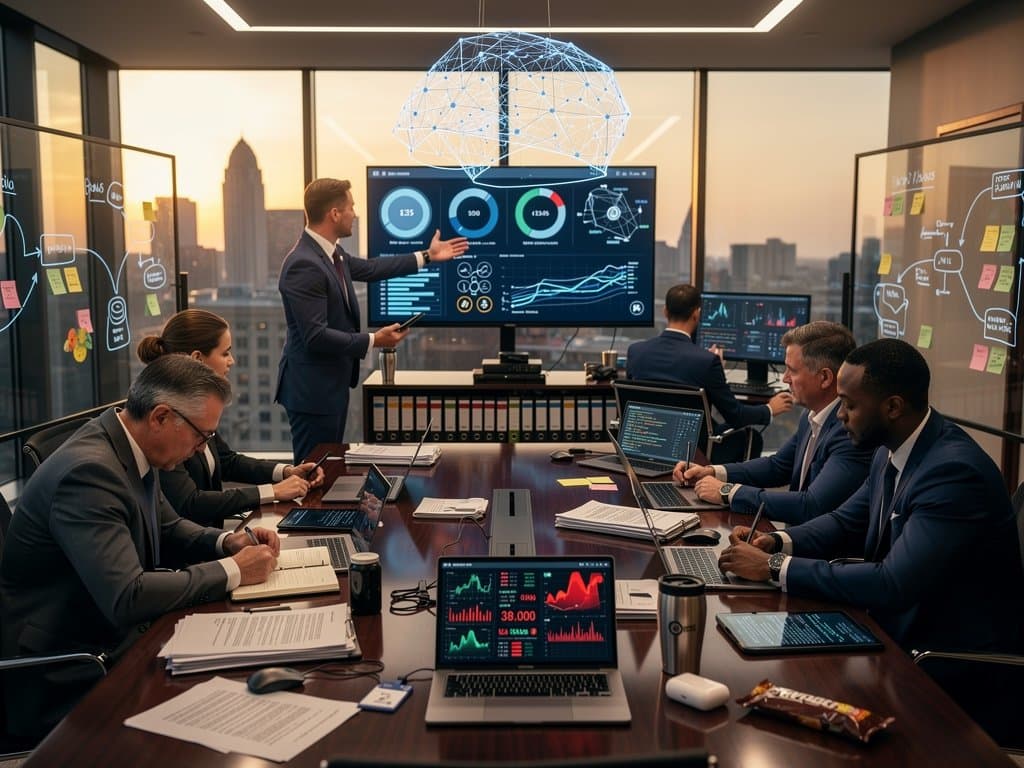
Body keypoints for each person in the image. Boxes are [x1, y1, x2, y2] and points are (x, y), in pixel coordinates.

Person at [0, 355, 281, 736]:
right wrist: (235, 571)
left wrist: (227, 542)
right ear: (161, 417)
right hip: (66, 665)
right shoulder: (89, 473)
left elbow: (169, 525)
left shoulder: (131, 449)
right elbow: (127, 595)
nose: (202, 449)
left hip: (109, 637)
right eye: (202, 436)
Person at [718, 338, 1024, 653]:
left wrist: (774, 566)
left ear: (892, 407)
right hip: (891, 628)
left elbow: (893, 583)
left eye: (849, 405)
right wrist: (777, 541)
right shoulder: (887, 450)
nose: (839, 416)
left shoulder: (953, 473)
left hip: (941, 659)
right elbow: (845, 521)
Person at [276, 178, 469, 463]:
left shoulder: (332, 254)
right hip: (312, 393)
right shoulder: (304, 264)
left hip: (329, 387)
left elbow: (371, 268)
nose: (355, 213)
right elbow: (315, 336)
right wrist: (374, 340)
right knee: (311, 473)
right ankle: (310, 511)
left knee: (325, 469)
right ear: (334, 213)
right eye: (351, 207)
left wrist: (427, 256)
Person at [138, 309, 325, 526]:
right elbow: (189, 503)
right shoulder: (168, 419)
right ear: (197, 359)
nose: (232, 361)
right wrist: (271, 492)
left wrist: (286, 471)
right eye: (225, 353)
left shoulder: (195, 405)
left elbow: (227, 460)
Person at [676, 321, 873, 524]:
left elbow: (811, 506)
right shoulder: (812, 416)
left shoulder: (849, 431)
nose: (785, 378)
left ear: (824, 378)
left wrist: (728, 492)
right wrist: (711, 471)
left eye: (792, 370)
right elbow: (778, 467)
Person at [626, 284, 793, 461]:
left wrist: (712, 367)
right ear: (696, 314)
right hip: (691, 452)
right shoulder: (705, 362)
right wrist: (769, 409)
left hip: (645, 444)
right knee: (752, 437)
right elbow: (735, 416)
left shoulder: (636, 351)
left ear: (665, 312)